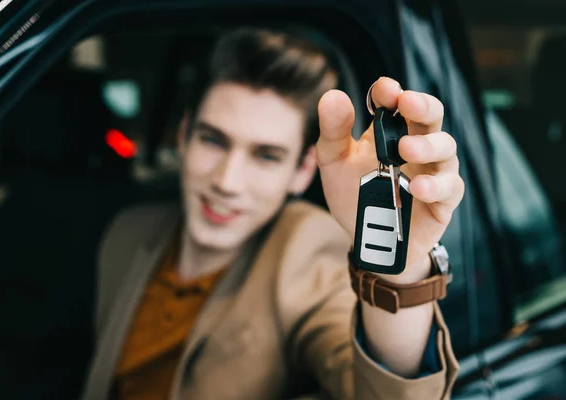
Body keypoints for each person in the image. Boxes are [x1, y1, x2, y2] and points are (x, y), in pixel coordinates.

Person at [82, 28, 464, 400]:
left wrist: (400, 273)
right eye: (213, 140)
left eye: (266, 156)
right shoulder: (129, 231)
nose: (227, 182)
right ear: (184, 136)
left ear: (301, 171)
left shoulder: (309, 251)